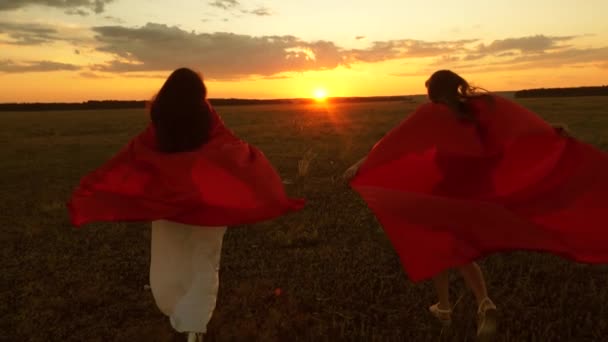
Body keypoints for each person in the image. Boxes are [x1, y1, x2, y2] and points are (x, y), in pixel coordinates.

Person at [344, 70, 608, 340]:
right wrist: (550, 132)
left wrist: (361, 164)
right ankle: (464, 304)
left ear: (433, 92)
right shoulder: (481, 106)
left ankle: (465, 304)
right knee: (452, 247)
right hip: (481, 190)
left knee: (440, 245)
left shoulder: (431, 113)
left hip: (448, 191)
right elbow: (517, 124)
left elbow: (397, 143)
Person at [67, 67, 305, 342]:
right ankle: (195, 325)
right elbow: (230, 147)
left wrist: (91, 193)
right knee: (204, 260)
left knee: (173, 260)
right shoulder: (204, 116)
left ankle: (188, 318)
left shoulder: (161, 119)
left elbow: (134, 156)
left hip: (170, 203)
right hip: (206, 202)